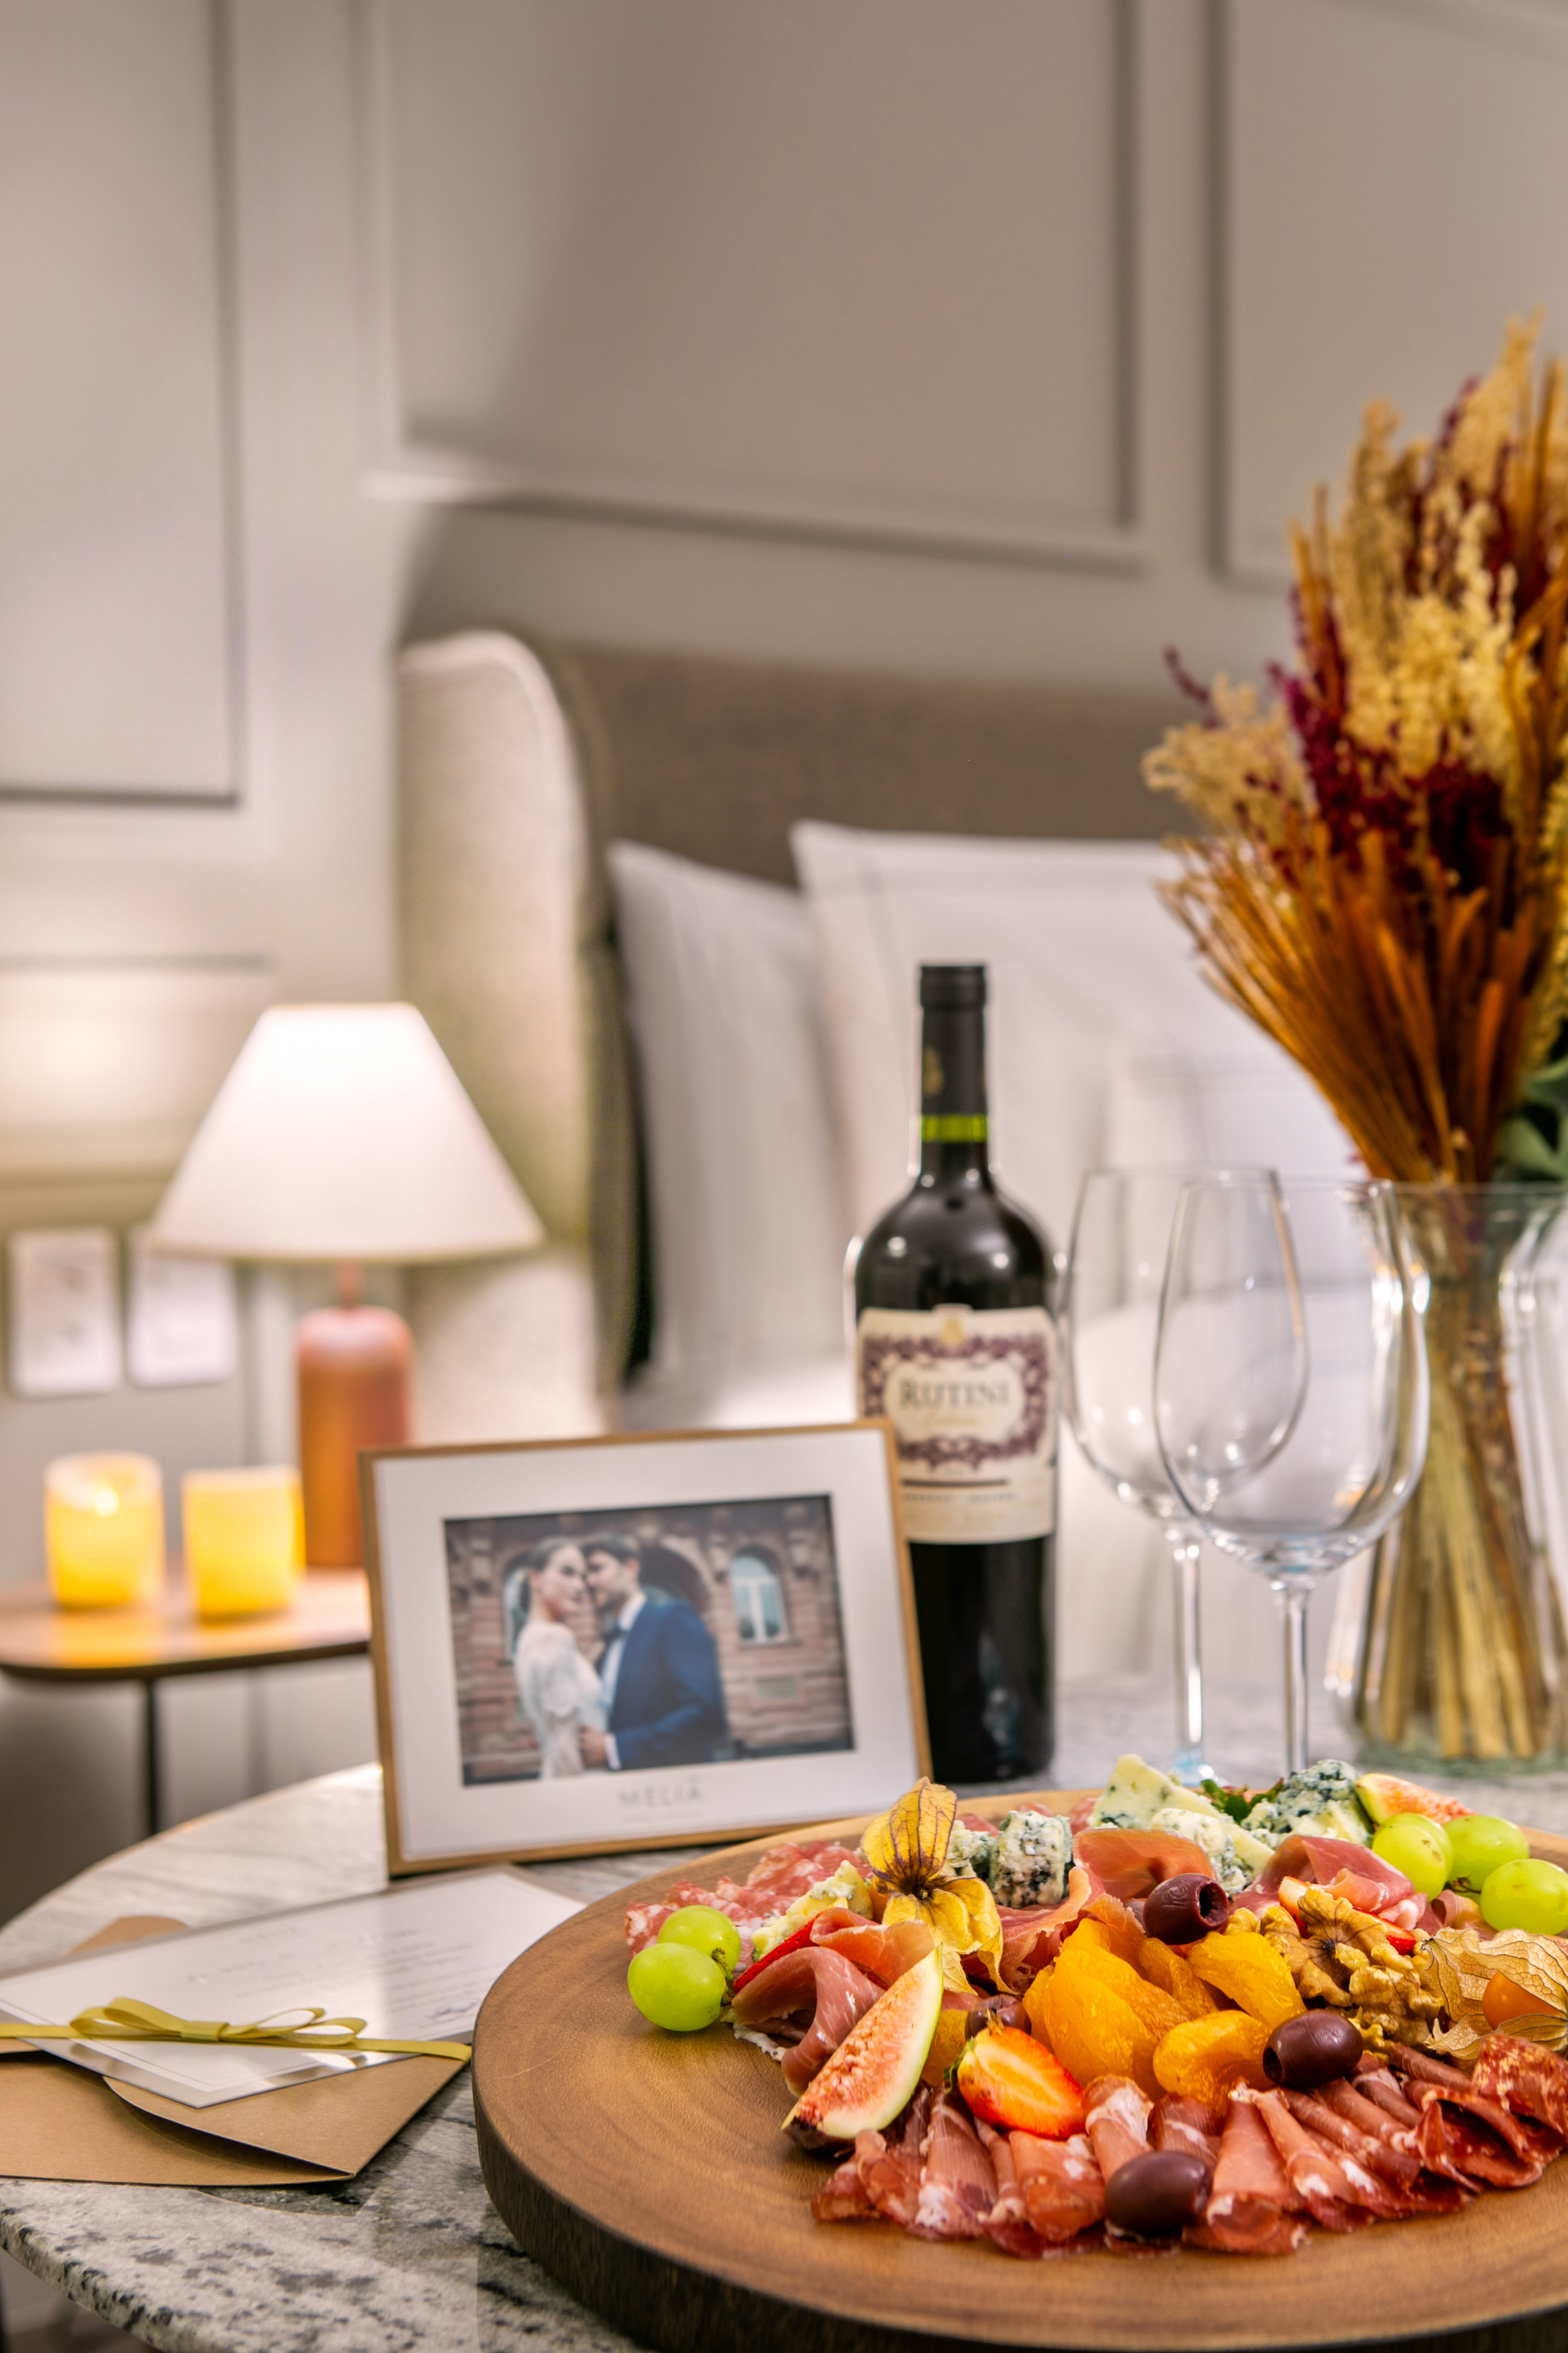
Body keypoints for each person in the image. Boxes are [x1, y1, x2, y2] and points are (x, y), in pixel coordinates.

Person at [579, 1532, 728, 1771]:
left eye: (597, 1569)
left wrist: (616, 1749)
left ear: (630, 1568)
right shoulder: (605, 1647)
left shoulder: (672, 1619)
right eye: (585, 1575)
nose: (590, 1582)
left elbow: (706, 1712)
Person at [509, 1539, 606, 1778]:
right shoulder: (555, 1638)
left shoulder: (528, 1638)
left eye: (582, 1577)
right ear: (536, 1578)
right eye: (567, 1572)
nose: (580, 1585)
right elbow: (565, 1745)